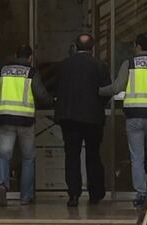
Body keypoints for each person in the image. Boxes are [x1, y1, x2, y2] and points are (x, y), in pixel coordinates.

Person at [99, 33, 147, 207]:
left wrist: (98, 91)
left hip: (134, 117)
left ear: (137, 46)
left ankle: (142, 194)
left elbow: (117, 87)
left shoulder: (130, 64)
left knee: (137, 157)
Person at [0, 45, 52, 207]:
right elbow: (41, 95)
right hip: (25, 121)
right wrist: (51, 101)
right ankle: (26, 196)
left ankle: (2, 184)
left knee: (4, 156)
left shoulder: (1, 71)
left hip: (5, 120)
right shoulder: (31, 72)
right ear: (30, 58)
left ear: (15, 55)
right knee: (28, 158)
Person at [53, 33, 111, 207]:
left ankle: (73, 194)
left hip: (69, 117)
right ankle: (95, 193)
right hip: (92, 118)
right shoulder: (100, 65)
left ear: (75, 47)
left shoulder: (64, 65)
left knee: (72, 156)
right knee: (93, 154)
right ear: (92, 48)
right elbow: (106, 91)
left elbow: (57, 89)